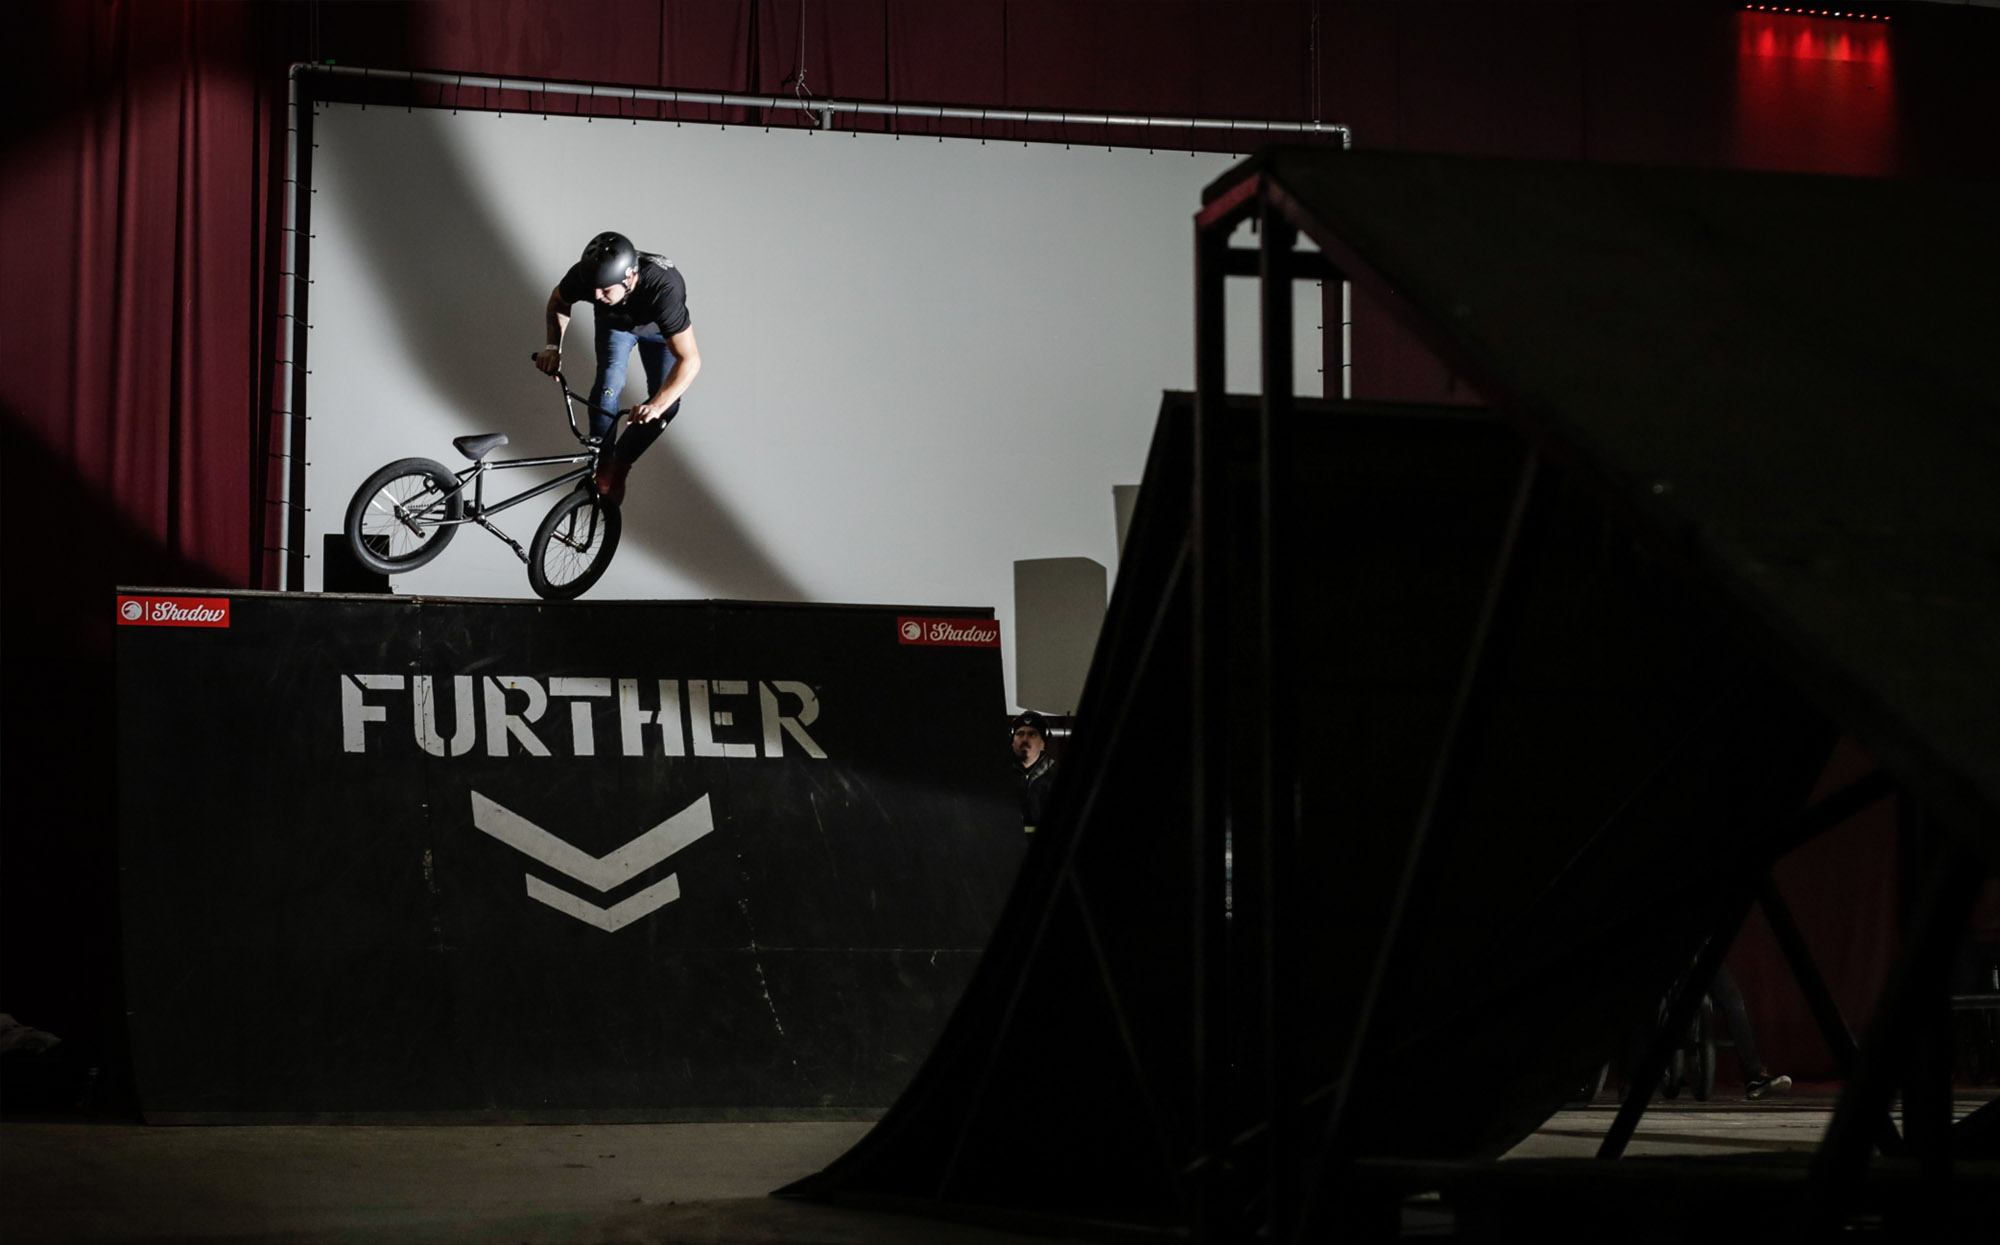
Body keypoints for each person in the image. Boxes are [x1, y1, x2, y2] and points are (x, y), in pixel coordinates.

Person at [534, 230, 701, 504]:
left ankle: (620, 465)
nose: (596, 295)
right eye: (593, 288)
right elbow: (558, 302)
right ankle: (601, 463)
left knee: (667, 404)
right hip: (615, 325)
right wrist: (553, 347)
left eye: (606, 289)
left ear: (630, 278)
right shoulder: (585, 278)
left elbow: (690, 360)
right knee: (608, 384)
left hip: (659, 333)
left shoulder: (664, 290)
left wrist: (656, 406)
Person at [1011, 711, 1058, 832]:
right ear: (1012, 742)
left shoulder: (1056, 779)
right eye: (1020, 734)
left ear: (1043, 744)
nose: (1024, 739)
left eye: (1032, 734)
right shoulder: (999, 776)